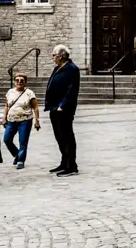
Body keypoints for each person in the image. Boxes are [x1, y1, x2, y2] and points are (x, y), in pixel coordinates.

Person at [43, 44, 80, 177]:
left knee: (67, 136)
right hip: (54, 107)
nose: (52, 57)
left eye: (53, 55)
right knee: (59, 136)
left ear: (60, 56)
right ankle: (64, 162)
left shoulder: (71, 69)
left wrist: (63, 105)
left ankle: (72, 166)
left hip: (63, 108)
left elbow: (72, 89)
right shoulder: (58, 68)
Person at [2, 72, 41, 170]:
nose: (19, 82)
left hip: (25, 120)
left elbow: (35, 107)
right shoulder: (10, 92)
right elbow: (7, 105)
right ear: (14, 82)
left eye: (22, 81)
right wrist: (4, 118)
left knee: (23, 141)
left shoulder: (29, 93)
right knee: (7, 139)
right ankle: (17, 154)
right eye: (17, 80)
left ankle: (21, 160)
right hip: (11, 120)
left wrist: (37, 121)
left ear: (25, 82)